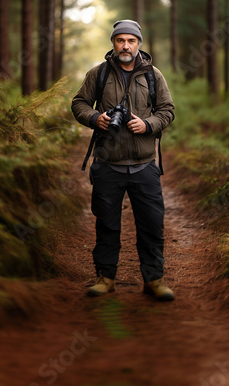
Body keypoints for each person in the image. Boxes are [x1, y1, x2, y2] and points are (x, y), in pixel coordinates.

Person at [71, 19, 176, 301]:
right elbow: (78, 103)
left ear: (139, 43)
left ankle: (154, 279)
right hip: (107, 164)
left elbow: (167, 110)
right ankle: (105, 278)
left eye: (131, 41)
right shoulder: (99, 74)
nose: (125, 46)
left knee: (152, 225)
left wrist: (149, 124)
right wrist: (96, 118)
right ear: (113, 43)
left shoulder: (153, 75)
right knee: (107, 224)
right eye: (120, 40)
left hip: (144, 165)